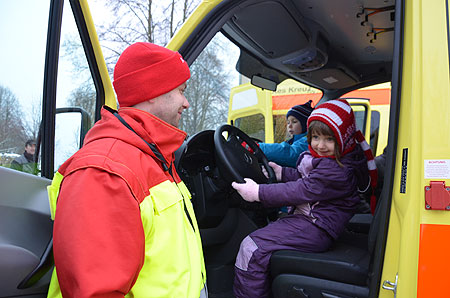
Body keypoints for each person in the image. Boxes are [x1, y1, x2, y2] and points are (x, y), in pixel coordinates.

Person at [47, 42, 207, 298]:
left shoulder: (154, 156)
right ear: (153, 90)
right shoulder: (104, 171)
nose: (186, 103)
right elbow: (96, 292)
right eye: (181, 90)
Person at [231, 99, 377, 298]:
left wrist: (257, 193)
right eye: (315, 137)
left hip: (316, 226)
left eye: (329, 139)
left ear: (343, 139)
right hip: (315, 221)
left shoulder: (337, 170)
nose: (320, 145)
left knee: (251, 247)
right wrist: (281, 172)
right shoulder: (333, 161)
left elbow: (302, 190)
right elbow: (307, 180)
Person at [258, 100, 314, 167]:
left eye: (294, 122)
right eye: (288, 122)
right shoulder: (292, 141)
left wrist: (260, 147)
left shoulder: (308, 141)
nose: (289, 126)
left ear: (306, 124)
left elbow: (289, 154)